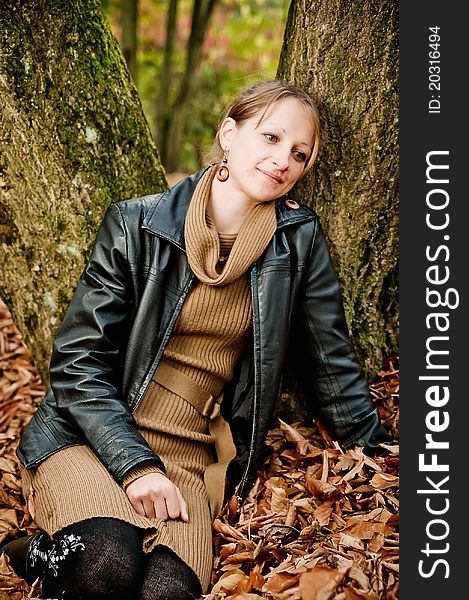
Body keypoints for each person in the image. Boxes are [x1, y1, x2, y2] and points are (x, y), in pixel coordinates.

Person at [1, 79, 389, 599]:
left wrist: (379, 454)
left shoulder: (297, 241)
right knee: (104, 567)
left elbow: (329, 358)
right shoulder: (136, 224)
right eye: (271, 138)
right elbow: (77, 365)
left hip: (186, 456)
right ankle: (30, 553)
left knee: (167, 593)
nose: (284, 161)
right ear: (229, 133)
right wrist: (135, 465)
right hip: (89, 437)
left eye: (300, 154)